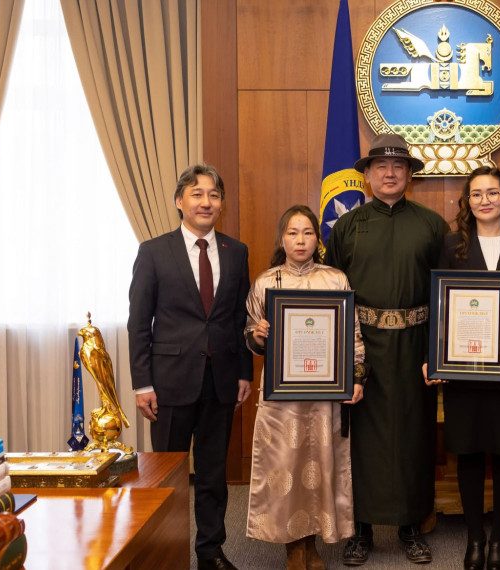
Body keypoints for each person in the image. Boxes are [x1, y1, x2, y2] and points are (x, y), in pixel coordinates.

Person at [325, 133, 449, 566]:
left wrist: (438, 351)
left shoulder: (432, 225)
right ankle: (359, 531)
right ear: (368, 174)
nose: (390, 173)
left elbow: (445, 294)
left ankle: (411, 526)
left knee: (414, 438)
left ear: (410, 174)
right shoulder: (347, 226)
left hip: (416, 347)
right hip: (363, 349)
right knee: (359, 441)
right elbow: (331, 292)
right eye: (381, 166)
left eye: (399, 166)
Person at [128, 164, 253, 570]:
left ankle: (210, 551)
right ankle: (164, 552)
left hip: (220, 382)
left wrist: (244, 372)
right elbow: (138, 321)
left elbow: (240, 318)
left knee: (214, 476)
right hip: (168, 384)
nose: (206, 201)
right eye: (196, 193)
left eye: (214, 194)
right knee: (166, 474)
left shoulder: (237, 252)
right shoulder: (153, 252)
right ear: (179, 201)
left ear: (222, 203)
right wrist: (142, 383)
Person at [424, 166, 500, 570]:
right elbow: (437, 303)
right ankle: (475, 538)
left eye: (492, 192)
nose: (485, 200)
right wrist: (432, 356)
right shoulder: (452, 245)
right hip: (465, 366)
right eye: (476, 194)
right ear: (467, 202)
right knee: (469, 452)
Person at [243, 205, 367, 570]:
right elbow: (251, 335)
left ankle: (313, 545)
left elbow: (354, 335)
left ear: (318, 238)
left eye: (308, 232)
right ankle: (293, 548)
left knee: (320, 464)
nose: (300, 240)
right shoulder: (267, 282)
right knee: (285, 466)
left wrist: (357, 376)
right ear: (282, 239)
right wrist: (258, 335)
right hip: (282, 397)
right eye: (293, 233)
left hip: (325, 392)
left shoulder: (335, 280)